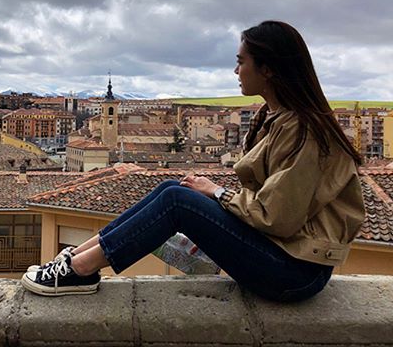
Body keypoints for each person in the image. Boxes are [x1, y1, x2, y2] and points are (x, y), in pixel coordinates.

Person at [21, 20, 365, 302]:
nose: (236, 70)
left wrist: (217, 193)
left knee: (177, 200)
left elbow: (277, 217)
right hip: (280, 255)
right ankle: (75, 258)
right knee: (172, 187)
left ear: (269, 68)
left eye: (241, 61)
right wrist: (212, 198)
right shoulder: (278, 118)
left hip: (295, 271)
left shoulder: (306, 131)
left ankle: (80, 272)